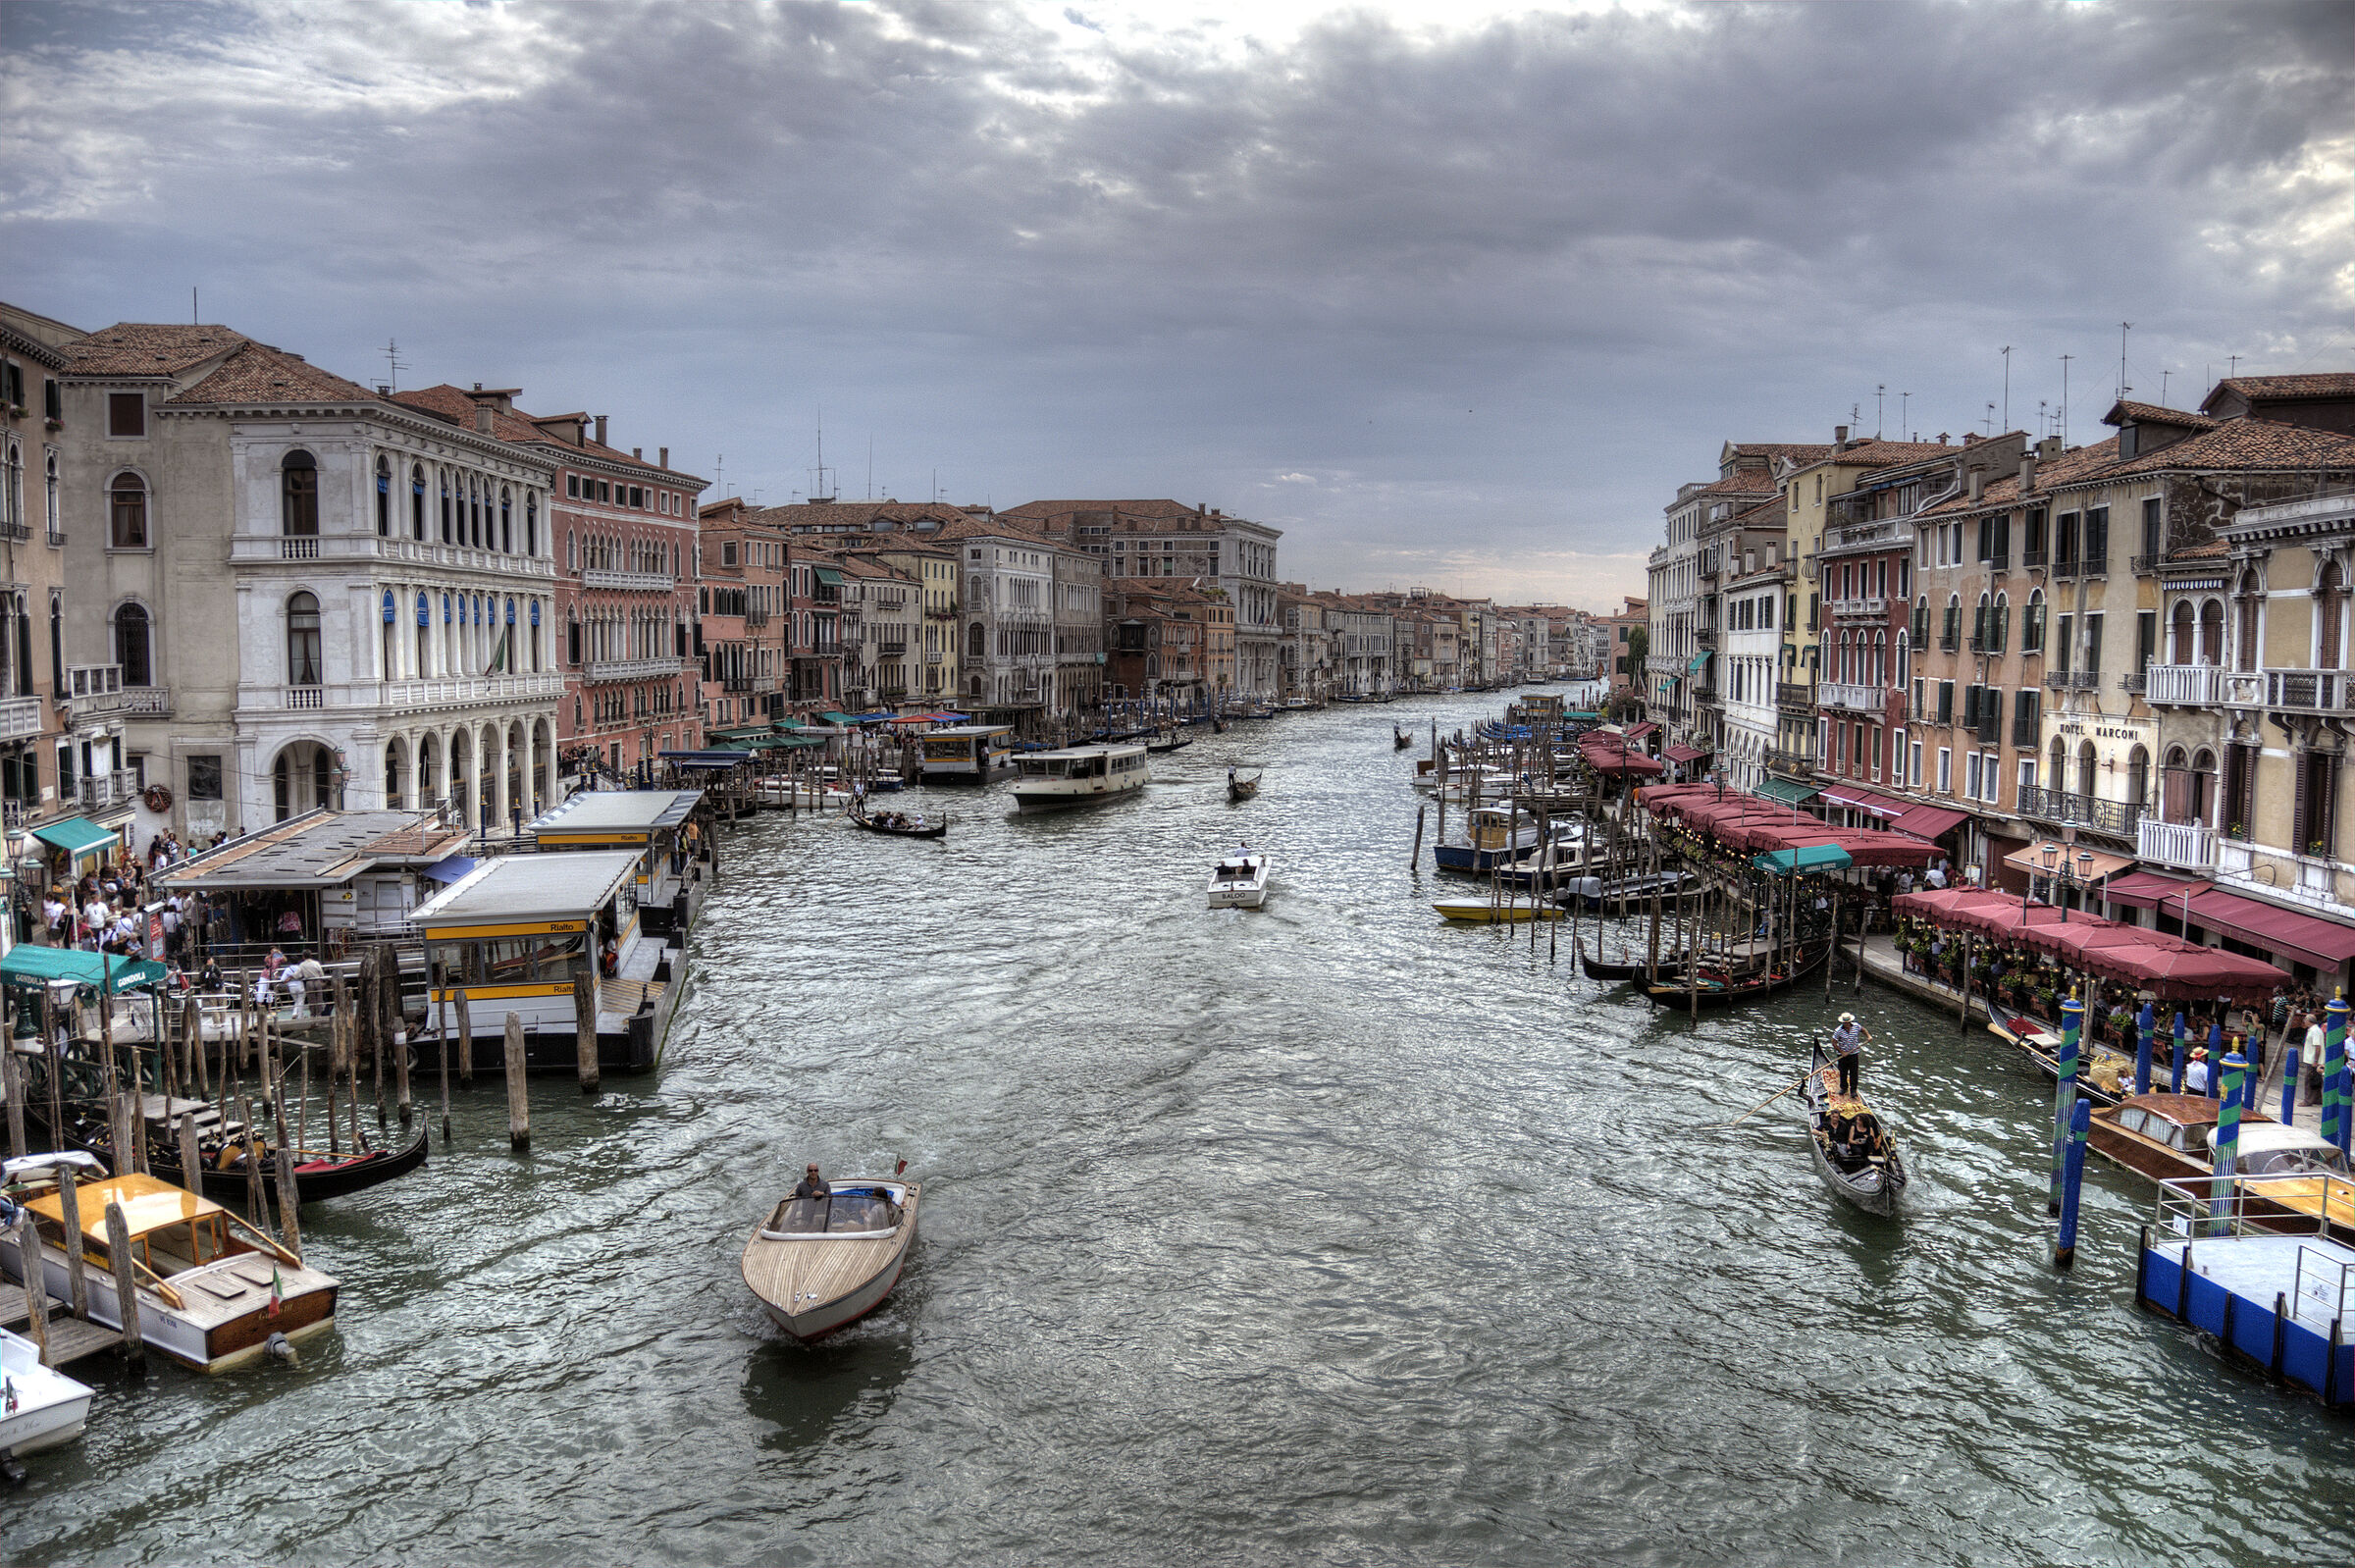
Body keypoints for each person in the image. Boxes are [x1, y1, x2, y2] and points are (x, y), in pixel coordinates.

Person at [1831, 1011, 1872, 1097]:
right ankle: (1843, 1088)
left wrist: (1868, 1036)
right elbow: (1834, 1043)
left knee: (1854, 1073)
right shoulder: (1838, 1031)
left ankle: (1853, 1090)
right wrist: (1842, 1052)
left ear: (1850, 1021)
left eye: (1847, 1022)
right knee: (1843, 1072)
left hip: (1854, 1054)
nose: (1846, 1024)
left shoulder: (1856, 1026)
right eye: (1844, 1023)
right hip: (1842, 1055)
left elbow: (1863, 1030)